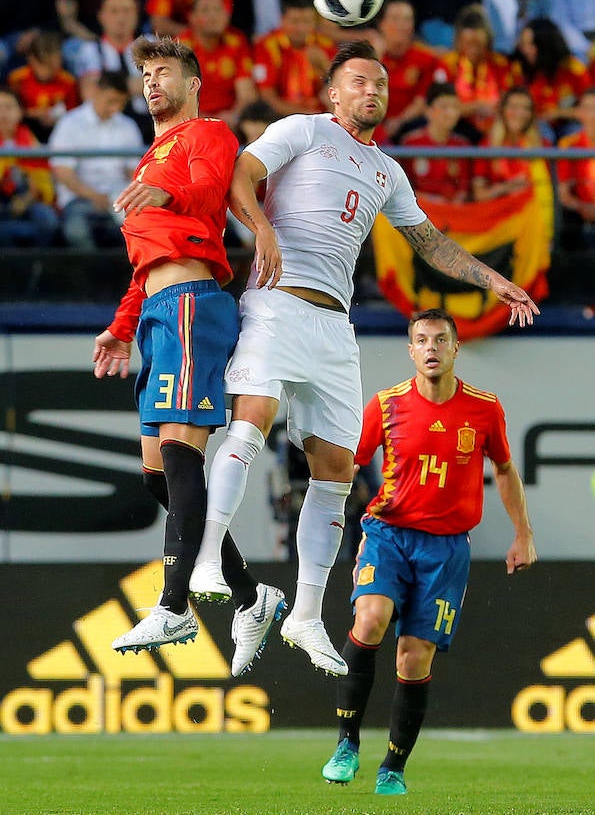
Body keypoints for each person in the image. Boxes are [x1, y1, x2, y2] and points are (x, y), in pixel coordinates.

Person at [188, 39, 540, 678]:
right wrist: (261, 228)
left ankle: (305, 613)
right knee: (251, 420)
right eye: (357, 81)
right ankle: (206, 556)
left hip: (333, 325)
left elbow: (428, 241)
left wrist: (490, 279)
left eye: (379, 82)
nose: (371, 90)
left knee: (338, 469)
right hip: (277, 302)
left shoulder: (388, 171)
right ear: (333, 92)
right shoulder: (301, 130)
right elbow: (240, 174)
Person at [91, 36, 285, 678]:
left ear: (193, 81)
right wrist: (122, 327)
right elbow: (142, 262)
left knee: (180, 452)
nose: (151, 82)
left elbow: (205, 193)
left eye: (164, 71)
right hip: (155, 311)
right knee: (157, 473)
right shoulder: (152, 156)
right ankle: (253, 594)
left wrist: (165, 197)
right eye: (145, 73)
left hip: (192, 304)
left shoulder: (206, 135)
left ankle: (174, 605)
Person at [321, 307, 537, 796]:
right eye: (422, 340)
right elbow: (349, 467)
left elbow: (504, 469)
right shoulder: (387, 403)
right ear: (411, 349)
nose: (432, 348)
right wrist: (325, 521)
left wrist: (523, 533)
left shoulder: (484, 408)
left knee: (414, 660)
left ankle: (392, 766)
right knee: (370, 620)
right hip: (389, 533)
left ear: (456, 347)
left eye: (441, 339)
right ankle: (347, 744)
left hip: (446, 549)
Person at [48, 70, 144, 249]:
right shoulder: (70, 123)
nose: (115, 108)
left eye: (121, 103)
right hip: (79, 199)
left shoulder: (128, 126)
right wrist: (94, 196)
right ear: (96, 92)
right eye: (111, 101)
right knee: (77, 230)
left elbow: (135, 173)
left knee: (143, 230)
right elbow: (63, 173)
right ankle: (88, 276)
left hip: (119, 199)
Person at [72, 0, 153, 144]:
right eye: (114, 11)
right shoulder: (90, 49)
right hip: (108, 127)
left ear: (137, 15)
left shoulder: (151, 45)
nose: (121, 18)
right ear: (101, 16)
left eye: (127, 11)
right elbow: (90, 94)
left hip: (150, 125)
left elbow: (165, 87)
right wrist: (139, 84)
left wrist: (110, 86)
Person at [437, 3, 523, 137]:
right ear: (459, 41)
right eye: (468, 43)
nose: (474, 50)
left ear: (488, 41)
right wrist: (476, 107)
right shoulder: (448, 64)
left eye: (478, 44)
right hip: (456, 127)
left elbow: (513, 101)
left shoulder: (501, 64)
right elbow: (439, 106)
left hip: (497, 126)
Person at [177, 0, 257, 129]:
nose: (214, 16)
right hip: (192, 124)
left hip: (230, 122)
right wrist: (203, 121)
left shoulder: (237, 42)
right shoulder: (181, 47)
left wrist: (233, 116)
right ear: (192, 17)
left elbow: (246, 93)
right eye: (205, 10)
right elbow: (176, 99)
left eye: (218, 9)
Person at [252, 0, 335, 116]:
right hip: (279, 117)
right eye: (295, 21)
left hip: (320, 116)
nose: (301, 28)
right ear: (282, 20)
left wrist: (325, 66)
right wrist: (305, 117)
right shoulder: (267, 46)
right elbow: (267, 97)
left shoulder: (325, 45)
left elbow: (338, 90)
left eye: (306, 21)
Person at [514, 16, 591, 141]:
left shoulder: (574, 70)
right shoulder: (521, 70)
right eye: (523, 44)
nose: (525, 50)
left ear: (545, 44)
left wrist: (559, 113)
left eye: (531, 44)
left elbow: (590, 108)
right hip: (536, 128)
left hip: (569, 126)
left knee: (574, 131)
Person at [0, 84, 59, 246]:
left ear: (20, 112)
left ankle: (36, 266)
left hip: (28, 202)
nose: (3, 114)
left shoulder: (31, 142)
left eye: (8, 107)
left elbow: (44, 186)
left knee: (48, 220)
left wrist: (27, 198)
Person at [375, 0, 441, 142]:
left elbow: (421, 100)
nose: (401, 26)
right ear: (382, 24)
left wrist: (399, 121)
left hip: (409, 125)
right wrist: (375, 59)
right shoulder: (368, 57)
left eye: (407, 20)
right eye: (395, 19)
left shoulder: (425, 58)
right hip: (373, 122)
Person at [401, 82, 472, 202]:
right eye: (444, 107)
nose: (450, 113)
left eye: (455, 107)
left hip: (453, 214)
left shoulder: (462, 146)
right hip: (420, 212)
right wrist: (432, 202)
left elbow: (463, 191)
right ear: (428, 111)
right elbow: (404, 190)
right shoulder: (411, 143)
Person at [7, 29, 79, 143]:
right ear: (32, 60)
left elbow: (74, 114)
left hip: (58, 130)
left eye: (53, 67)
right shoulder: (17, 79)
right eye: (45, 65)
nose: (48, 72)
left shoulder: (68, 81)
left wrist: (56, 117)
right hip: (25, 128)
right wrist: (32, 114)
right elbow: (8, 109)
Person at [557, 85, 595, 250]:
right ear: (579, 112)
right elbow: (563, 195)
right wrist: (584, 208)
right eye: (588, 108)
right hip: (581, 219)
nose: (593, 115)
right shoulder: (568, 145)